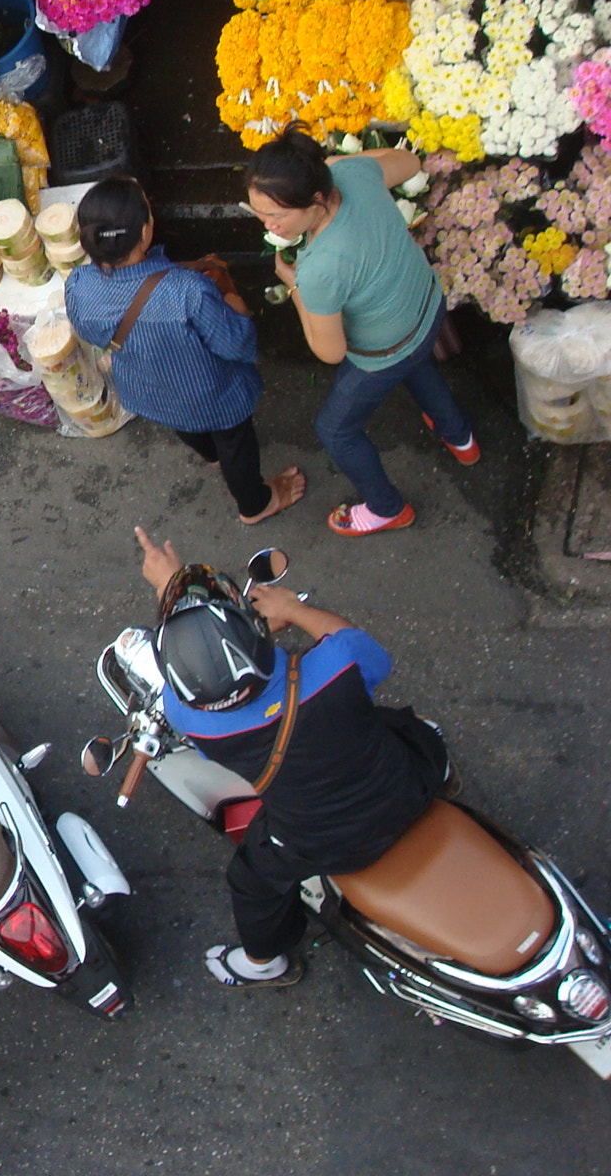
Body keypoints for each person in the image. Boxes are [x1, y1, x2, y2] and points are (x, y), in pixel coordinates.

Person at [133, 528, 450, 989]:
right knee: (408, 727)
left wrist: (167, 591)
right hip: (410, 783)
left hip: (320, 844)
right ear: (258, 634)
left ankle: (264, 961)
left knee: (251, 882)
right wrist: (293, 610)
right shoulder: (336, 667)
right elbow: (372, 656)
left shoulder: (193, 720)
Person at [244, 131, 478, 536]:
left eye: (276, 216)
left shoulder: (319, 267)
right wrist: (337, 168)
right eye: (259, 212)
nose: (267, 224)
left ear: (316, 200)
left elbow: (330, 351)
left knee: (335, 429)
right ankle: (460, 439)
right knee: (418, 363)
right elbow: (409, 164)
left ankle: (387, 508)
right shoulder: (352, 173)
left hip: (386, 347)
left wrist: (294, 283)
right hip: (426, 305)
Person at [65, 179, 304, 524]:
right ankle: (255, 504)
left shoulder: (77, 285)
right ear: (145, 231)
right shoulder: (187, 291)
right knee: (235, 443)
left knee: (188, 426)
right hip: (213, 394)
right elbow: (236, 344)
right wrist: (236, 306)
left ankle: (212, 457)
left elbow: (92, 334)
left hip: (149, 391)